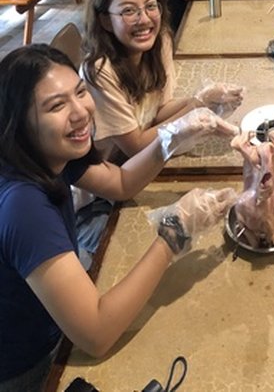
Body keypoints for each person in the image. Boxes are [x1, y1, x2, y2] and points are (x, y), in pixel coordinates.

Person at [0, 43, 238, 390]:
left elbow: (121, 183)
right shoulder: (24, 205)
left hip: (60, 317)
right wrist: (174, 233)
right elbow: (96, 335)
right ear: (19, 124)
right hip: (35, 362)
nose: (80, 112)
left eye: (79, 92)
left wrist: (170, 140)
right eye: (56, 105)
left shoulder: (49, 152)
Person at [81, 0, 244, 160]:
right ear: (105, 20)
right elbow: (135, 147)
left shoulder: (160, 41)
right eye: (129, 11)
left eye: (150, 6)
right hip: (117, 166)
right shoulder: (99, 71)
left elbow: (157, 111)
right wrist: (195, 108)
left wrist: (204, 99)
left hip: (150, 154)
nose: (144, 19)